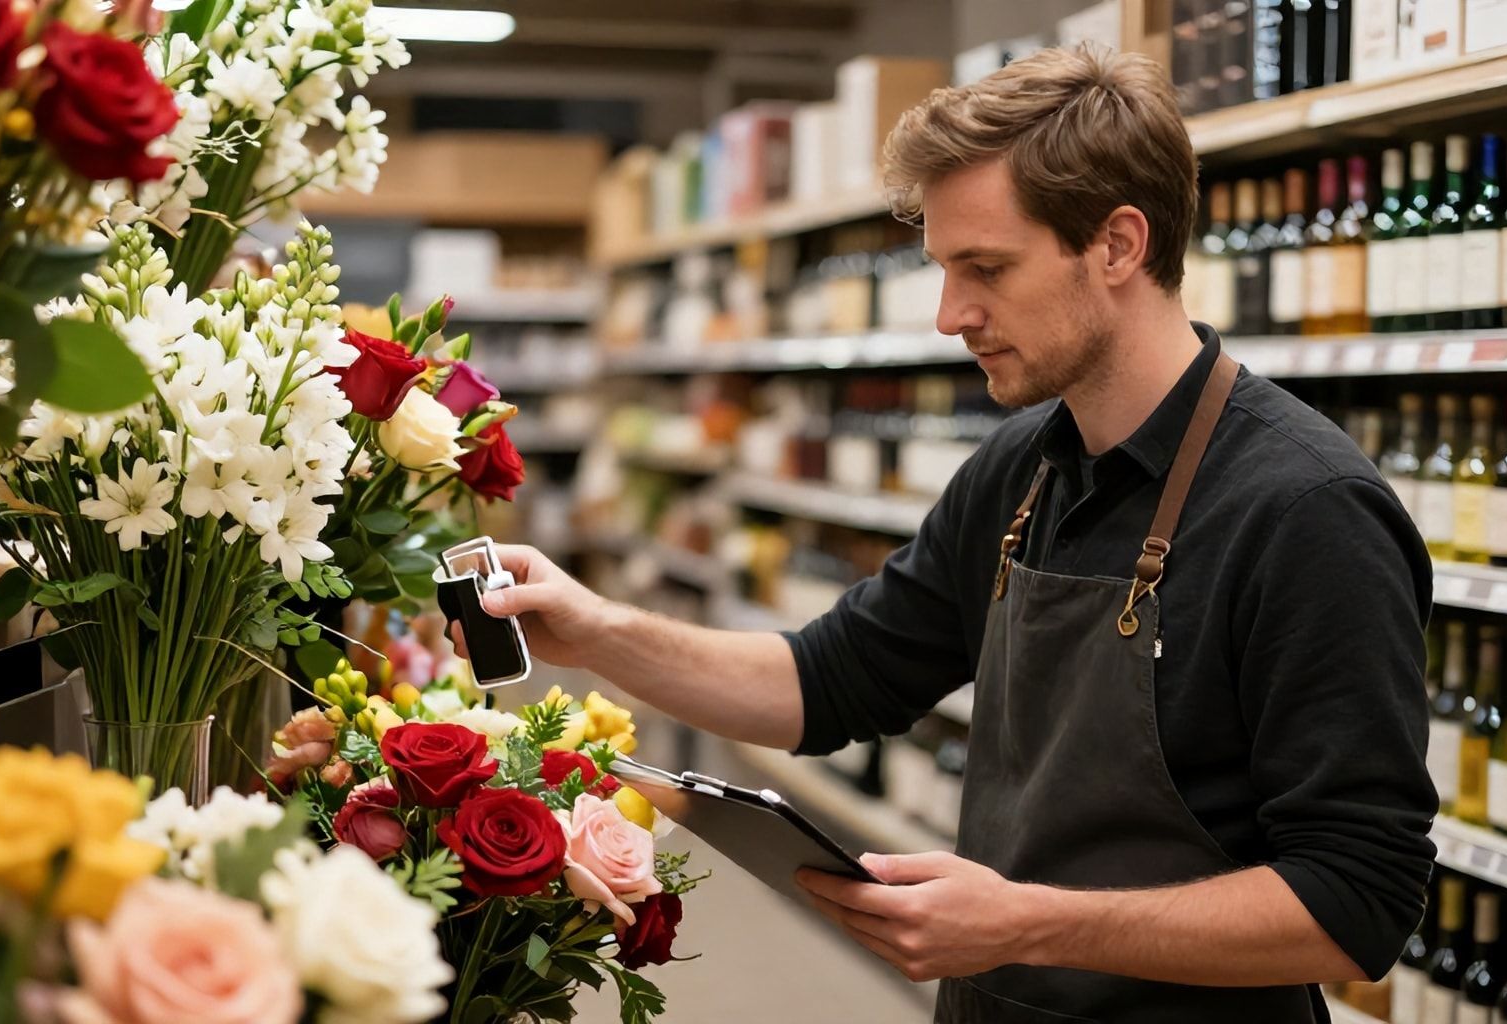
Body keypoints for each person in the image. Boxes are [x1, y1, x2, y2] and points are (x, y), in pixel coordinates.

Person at [451, 45, 1435, 1024]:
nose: (947, 315)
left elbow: (1356, 903)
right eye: (943, 268)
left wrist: (1027, 925)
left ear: (1120, 246)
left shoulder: (1305, 511)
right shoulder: (1019, 472)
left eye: (986, 268)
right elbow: (828, 680)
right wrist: (596, 631)